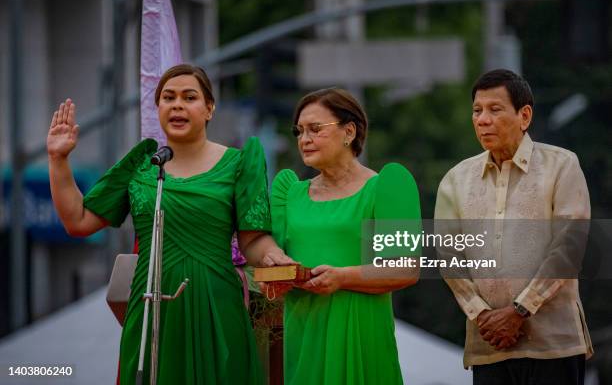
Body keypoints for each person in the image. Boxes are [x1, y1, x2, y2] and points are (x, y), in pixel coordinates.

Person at [47, 64, 293, 384]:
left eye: (189, 97)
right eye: (168, 97)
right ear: (158, 108)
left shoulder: (239, 163)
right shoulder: (142, 164)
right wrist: (58, 159)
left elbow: (254, 239)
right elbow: (78, 221)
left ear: (209, 108)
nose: (177, 104)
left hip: (216, 306)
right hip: (151, 306)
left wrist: (273, 254)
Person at [435, 69, 592, 384]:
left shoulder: (562, 165)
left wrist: (520, 310)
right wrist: (482, 315)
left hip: (553, 345)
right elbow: (448, 257)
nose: (482, 119)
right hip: (489, 345)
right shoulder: (456, 179)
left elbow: (568, 247)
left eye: (495, 110)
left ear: (525, 115)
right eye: (477, 111)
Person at [268, 88, 420, 385]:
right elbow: (271, 258)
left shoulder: (387, 187)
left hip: (361, 333)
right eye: (299, 131)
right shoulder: (289, 192)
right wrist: (272, 270)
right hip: (304, 333)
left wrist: (342, 277)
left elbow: (406, 268)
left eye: (315, 129)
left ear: (349, 131)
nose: (304, 139)